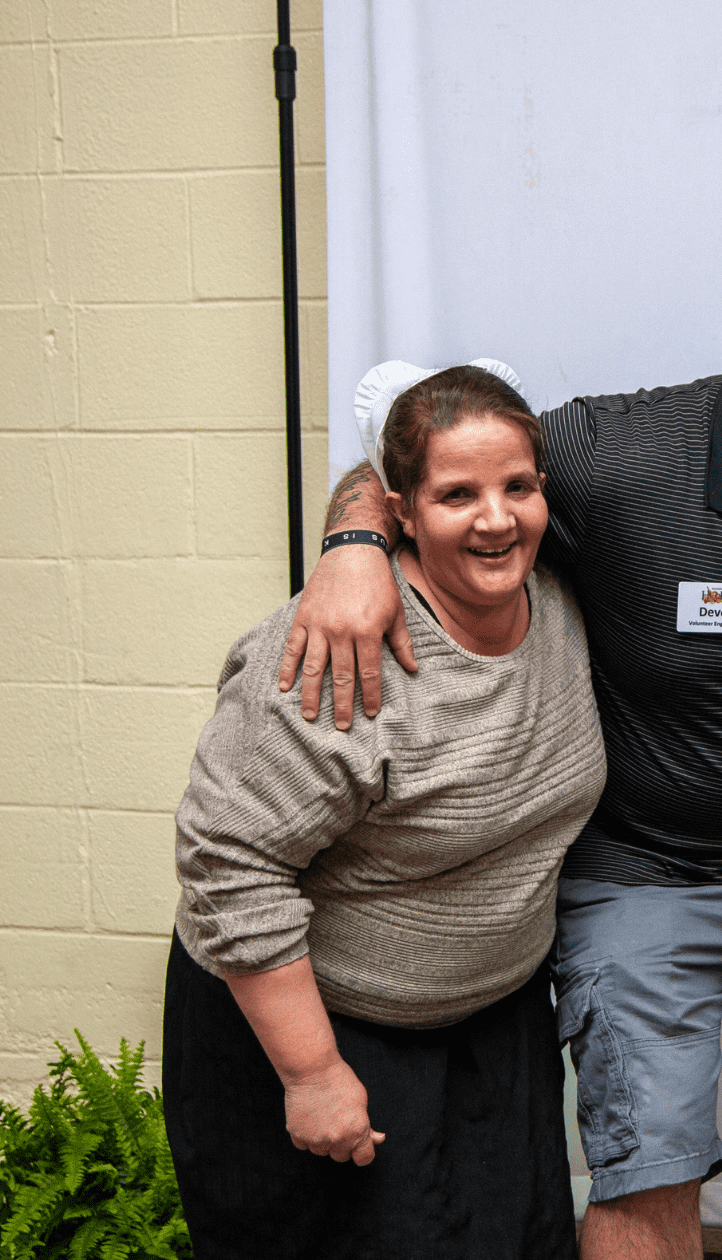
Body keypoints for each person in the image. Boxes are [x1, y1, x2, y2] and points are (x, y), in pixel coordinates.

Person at [284, 236, 722, 1260]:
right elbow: (423, 458)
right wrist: (353, 545)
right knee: (647, 1165)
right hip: (640, 871)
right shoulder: (617, 456)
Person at [163, 363, 606, 1259]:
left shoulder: (558, 595)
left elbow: (420, 451)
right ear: (402, 512)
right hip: (324, 1028)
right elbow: (226, 860)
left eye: (517, 488)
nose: (496, 518)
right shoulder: (340, 654)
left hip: (492, 1025)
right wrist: (311, 1073)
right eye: (457, 495)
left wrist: (354, 533)